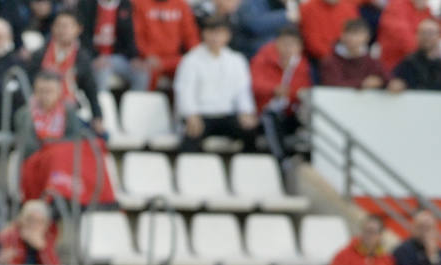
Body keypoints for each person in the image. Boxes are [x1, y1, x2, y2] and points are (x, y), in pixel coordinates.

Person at [174, 16, 258, 154]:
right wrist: (191, 115)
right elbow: (184, 90)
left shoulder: (237, 60)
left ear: (228, 35)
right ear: (204, 34)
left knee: (250, 130)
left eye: (220, 33)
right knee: (192, 135)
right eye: (211, 32)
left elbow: (243, 92)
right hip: (201, 114)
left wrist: (246, 112)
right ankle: (187, 171)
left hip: (227, 114)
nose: (215, 37)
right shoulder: (191, 60)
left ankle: (246, 171)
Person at [31, 11, 106, 135]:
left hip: (68, 112)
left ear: (78, 29)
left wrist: (97, 117)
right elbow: (28, 84)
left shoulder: (82, 58)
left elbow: (91, 91)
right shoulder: (40, 54)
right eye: (58, 26)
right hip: (39, 110)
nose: (62, 30)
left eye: (66, 26)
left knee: (101, 136)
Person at [250, 26, 311, 161]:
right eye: (284, 43)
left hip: (290, 111)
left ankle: (305, 158)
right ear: (277, 43)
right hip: (264, 111)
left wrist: (289, 93)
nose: (288, 48)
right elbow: (254, 84)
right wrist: (273, 89)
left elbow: (303, 90)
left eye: (292, 44)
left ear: (299, 47)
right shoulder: (264, 58)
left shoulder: (301, 65)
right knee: (270, 118)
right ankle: (281, 160)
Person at [14, 70, 90, 158]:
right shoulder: (25, 114)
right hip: (36, 161)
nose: (45, 96)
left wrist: (52, 146)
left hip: (62, 159)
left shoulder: (68, 111)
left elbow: (74, 139)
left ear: (59, 91)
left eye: (49, 91)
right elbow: (27, 146)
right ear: (35, 91)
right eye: (41, 91)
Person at [79, 0, 150, 92]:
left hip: (117, 57)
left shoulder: (125, 4)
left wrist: (134, 57)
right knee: (102, 71)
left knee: (141, 72)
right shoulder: (87, 3)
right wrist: (95, 56)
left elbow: (129, 35)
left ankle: (136, 105)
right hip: (92, 57)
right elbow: (83, 36)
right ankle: (100, 104)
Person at [132, 0, 200, 88]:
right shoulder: (139, 3)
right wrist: (147, 54)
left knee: (191, 68)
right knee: (146, 72)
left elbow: (190, 36)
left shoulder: (181, 4)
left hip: (173, 59)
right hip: (149, 59)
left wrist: (197, 56)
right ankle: (148, 101)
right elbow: (136, 35)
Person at [389, 19, 441, 92]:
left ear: (439, 36)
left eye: (430, 33)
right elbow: (391, 82)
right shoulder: (407, 65)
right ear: (417, 36)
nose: (426, 37)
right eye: (423, 33)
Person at [319, 17, 386, 89]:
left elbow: (385, 78)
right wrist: (362, 84)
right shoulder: (330, 61)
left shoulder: (371, 60)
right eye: (350, 34)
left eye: (358, 34)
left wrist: (390, 84)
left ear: (367, 38)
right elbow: (332, 84)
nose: (353, 38)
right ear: (342, 36)